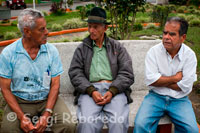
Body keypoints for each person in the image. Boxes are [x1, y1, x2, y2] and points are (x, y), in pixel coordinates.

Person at [0, 8, 75, 133]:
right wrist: (21, 117)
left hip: (47, 99)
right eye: (42, 29)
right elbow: (5, 89)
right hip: (20, 101)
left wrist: (47, 113)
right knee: (8, 129)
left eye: (46, 28)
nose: (47, 32)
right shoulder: (9, 53)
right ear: (27, 32)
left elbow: (55, 85)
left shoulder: (51, 51)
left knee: (68, 125)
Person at [68, 7, 134, 133]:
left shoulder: (117, 47)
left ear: (105, 28)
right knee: (87, 123)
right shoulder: (82, 48)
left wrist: (113, 91)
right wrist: (91, 91)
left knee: (118, 122)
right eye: (89, 26)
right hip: (90, 90)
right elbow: (75, 73)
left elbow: (127, 73)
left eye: (96, 27)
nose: (91, 30)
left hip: (114, 89)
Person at [134, 17, 199, 133]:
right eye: (165, 33)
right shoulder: (153, 52)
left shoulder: (190, 56)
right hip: (156, 97)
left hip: (179, 99)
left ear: (182, 37)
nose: (166, 37)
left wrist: (160, 81)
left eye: (172, 34)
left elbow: (186, 86)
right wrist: (175, 78)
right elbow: (150, 80)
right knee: (140, 125)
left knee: (192, 130)